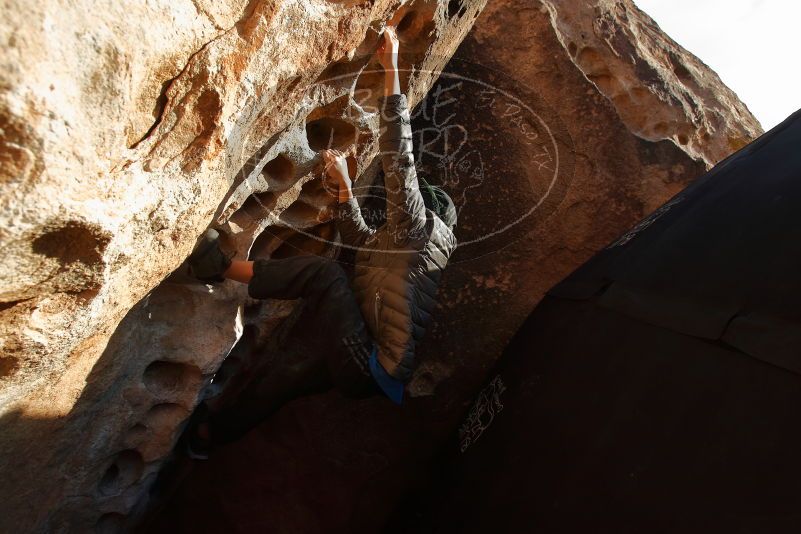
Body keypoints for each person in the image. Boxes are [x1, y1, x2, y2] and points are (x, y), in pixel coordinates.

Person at [188, 26, 457, 416]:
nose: (402, 200)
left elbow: (399, 154)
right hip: (372, 363)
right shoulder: (409, 253)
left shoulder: (418, 229)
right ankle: (208, 437)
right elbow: (361, 242)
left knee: (325, 275)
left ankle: (217, 266)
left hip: (372, 366)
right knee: (283, 379)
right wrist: (346, 189)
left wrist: (392, 67)